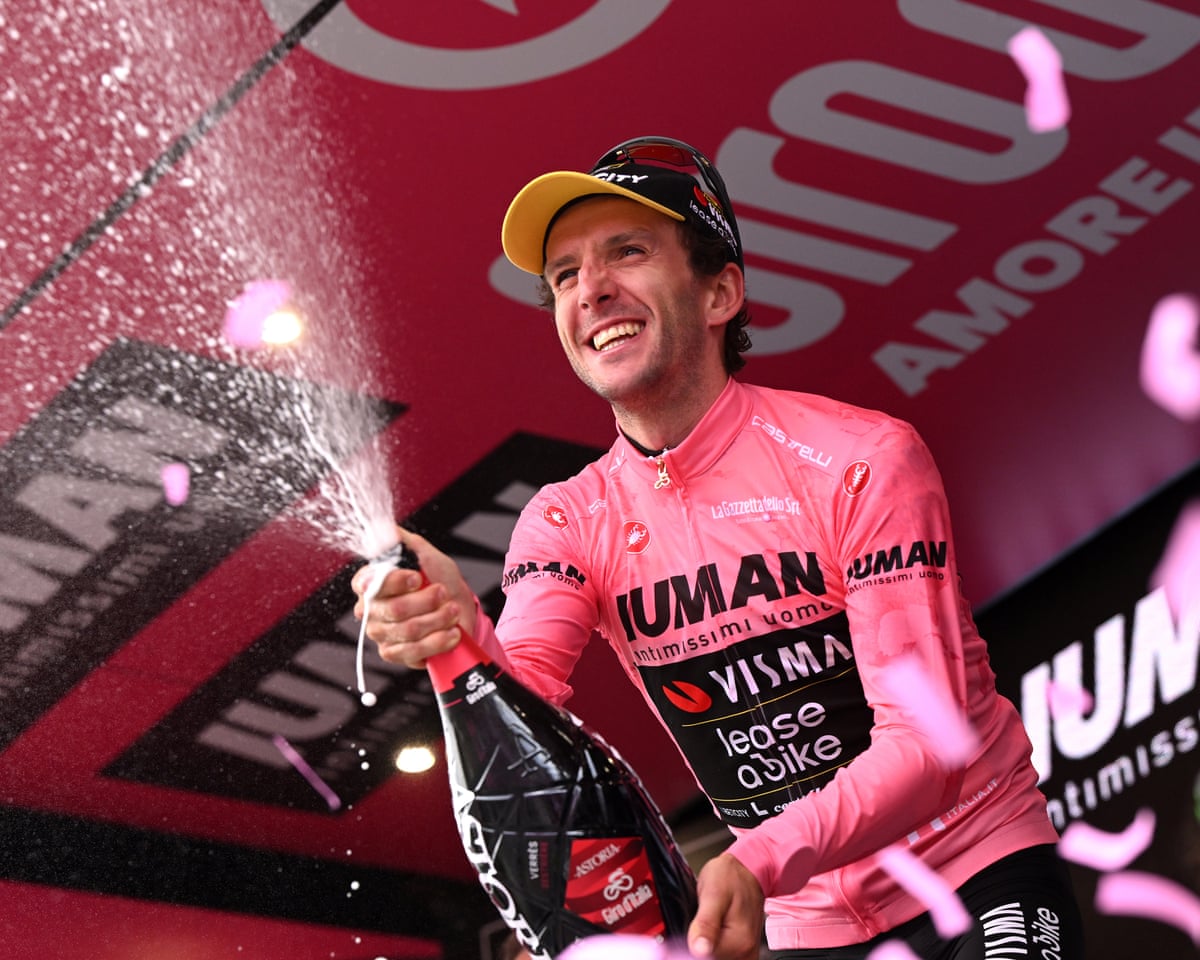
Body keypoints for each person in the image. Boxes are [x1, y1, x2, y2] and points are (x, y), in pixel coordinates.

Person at [354, 137, 1082, 960]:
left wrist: (752, 859)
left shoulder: (863, 458)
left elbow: (928, 744)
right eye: (564, 275)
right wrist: (457, 635)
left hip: (974, 871)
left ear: (720, 292)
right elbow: (528, 723)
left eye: (627, 252)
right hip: (809, 928)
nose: (591, 290)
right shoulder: (565, 520)